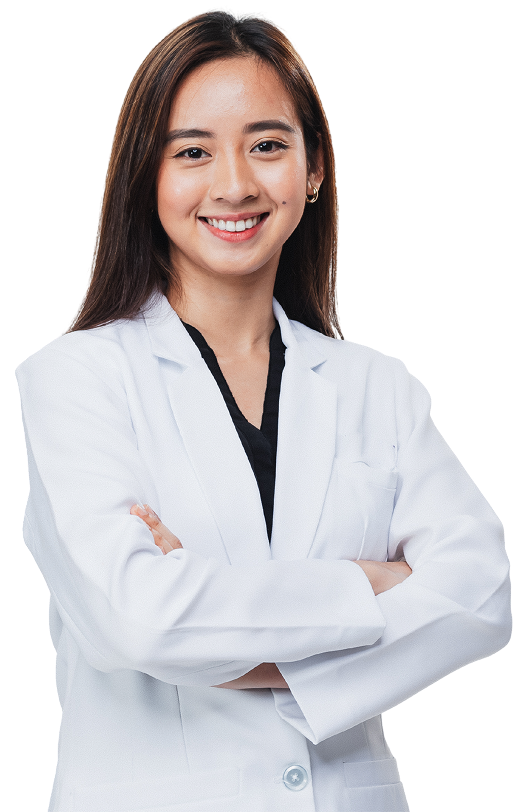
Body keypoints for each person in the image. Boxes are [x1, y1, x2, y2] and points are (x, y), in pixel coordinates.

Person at [14, 10, 511, 812]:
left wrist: (214, 621)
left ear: (314, 169)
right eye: (192, 152)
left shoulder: (376, 386)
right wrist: (369, 585)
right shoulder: (75, 379)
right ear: (147, 175)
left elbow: (481, 596)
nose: (235, 184)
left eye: (268, 145)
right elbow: (139, 621)